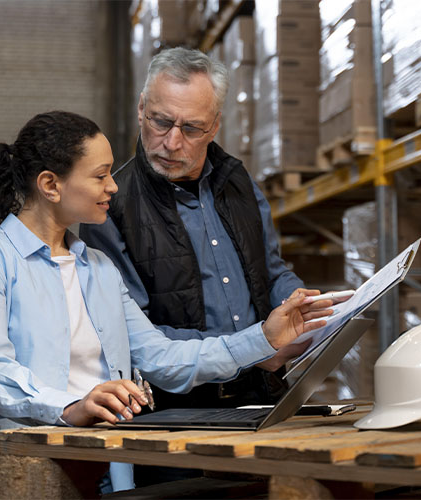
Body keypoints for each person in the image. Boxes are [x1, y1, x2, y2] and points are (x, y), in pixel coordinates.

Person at [0, 111, 330, 500]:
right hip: (5, 482)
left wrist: (264, 338)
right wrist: (71, 406)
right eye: (100, 175)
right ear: (50, 185)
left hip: (99, 476)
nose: (113, 186)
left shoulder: (99, 268)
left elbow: (161, 356)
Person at [80, 47, 325, 412]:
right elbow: (136, 335)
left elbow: (271, 274)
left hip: (262, 398)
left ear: (215, 126)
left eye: (192, 128)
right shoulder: (110, 208)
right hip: (175, 412)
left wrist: (307, 307)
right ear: (141, 108)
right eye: (160, 121)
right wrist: (255, 346)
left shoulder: (238, 181)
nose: (172, 142)